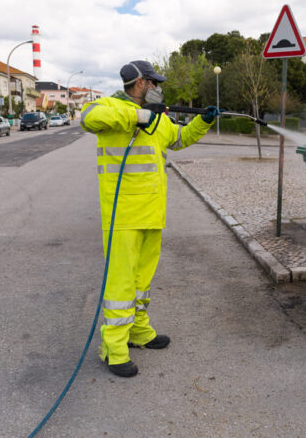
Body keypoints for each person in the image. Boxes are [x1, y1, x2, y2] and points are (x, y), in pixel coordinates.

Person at [79, 60, 219, 377]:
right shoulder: (110, 107)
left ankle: (138, 333)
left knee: (142, 283)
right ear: (140, 83)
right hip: (123, 217)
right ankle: (113, 349)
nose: (158, 88)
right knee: (121, 285)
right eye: (154, 83)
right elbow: (87, 118)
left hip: (152, 214)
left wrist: (203, 121)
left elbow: (180, 139)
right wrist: (140, 115)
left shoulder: (159, 121)